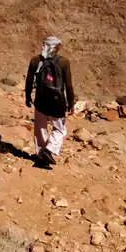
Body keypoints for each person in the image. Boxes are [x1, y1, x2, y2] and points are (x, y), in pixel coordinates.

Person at [24, 36, 76, 167]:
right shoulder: (63, 62)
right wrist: (71, 102)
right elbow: (68, 85)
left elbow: (29, 81)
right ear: (56, 47)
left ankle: (41, 154)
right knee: (60, 129)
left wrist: (27, 96)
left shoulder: (35, 60)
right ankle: (49, 149)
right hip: (57, 102)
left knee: (40, 128)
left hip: (40, 100)